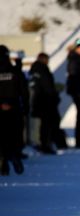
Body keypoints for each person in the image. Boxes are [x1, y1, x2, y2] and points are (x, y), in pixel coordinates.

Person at [29, 52, 67, 154]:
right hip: (45, 103)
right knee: (46, 126)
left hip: (38, 103)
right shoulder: (42, 70)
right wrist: (54, 98)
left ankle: (44, 144)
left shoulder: (33, 71)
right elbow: (48, 88)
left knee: (41, 126)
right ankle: (45, 145)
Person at [0, 45, 28, 175]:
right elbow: (24, 91)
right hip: (14, 107)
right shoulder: (15, 71)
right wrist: (26, 108)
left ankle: (4, 161)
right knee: (14, 135)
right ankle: (15, 154)